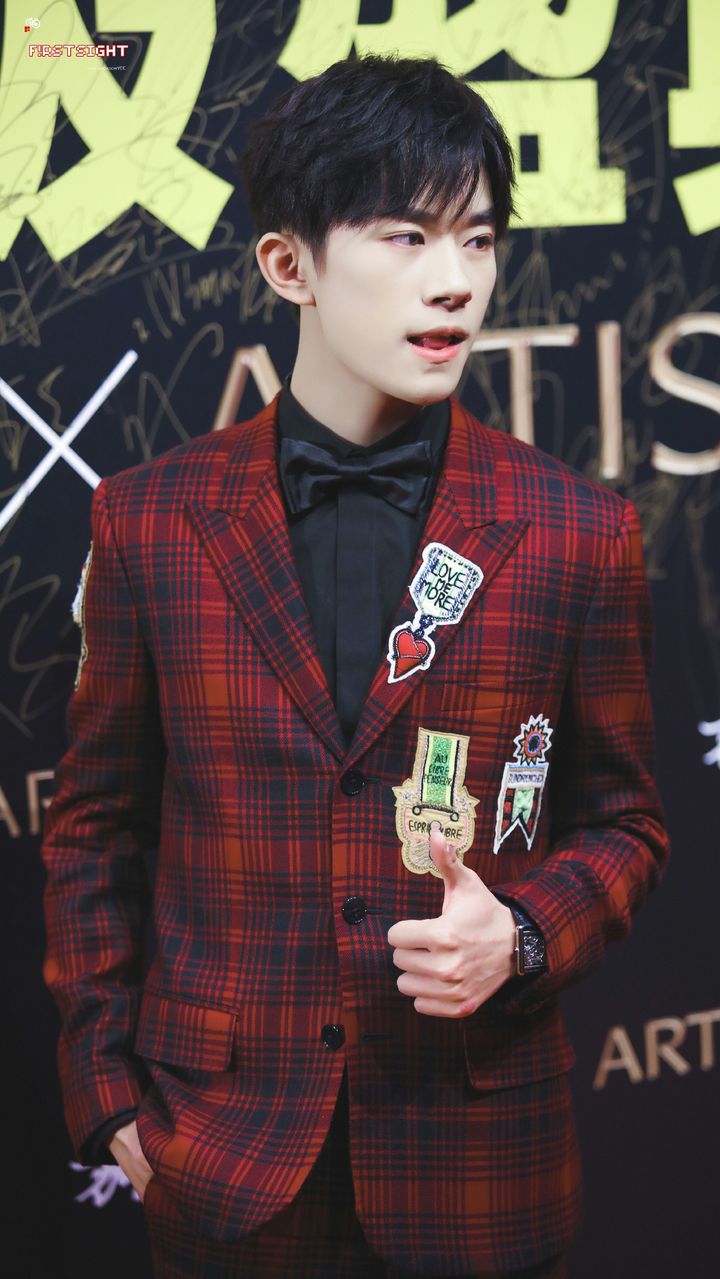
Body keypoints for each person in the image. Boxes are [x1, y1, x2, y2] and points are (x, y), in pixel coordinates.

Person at [41, 53, 670, 1279]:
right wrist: (106, 1090)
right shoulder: (150, 519)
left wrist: (521, 931)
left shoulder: (579, 532)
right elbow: (96, 824)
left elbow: (628, 823)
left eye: (478, 240)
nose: (456, 281)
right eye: (406, 237)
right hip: (220, 1164)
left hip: (478, 1168)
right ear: (291, 266)